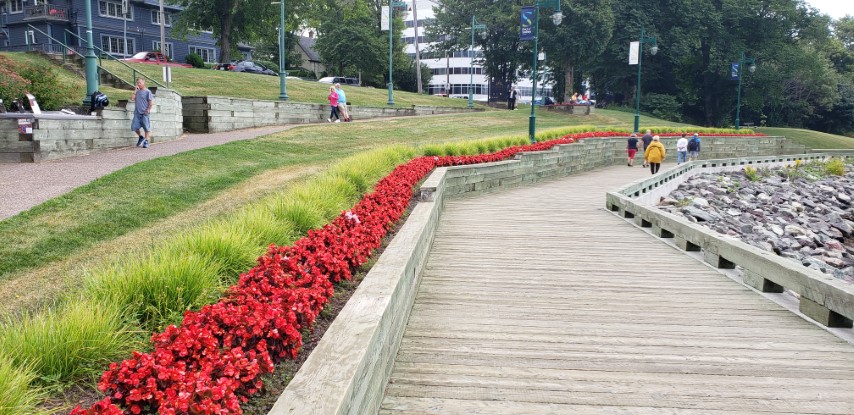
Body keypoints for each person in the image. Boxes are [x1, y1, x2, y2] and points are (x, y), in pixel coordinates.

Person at [131, 78, 153, 148]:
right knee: (134, 127)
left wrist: (148, 110)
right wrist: (135, 90)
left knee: (146, 127)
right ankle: (141, 137)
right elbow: (132, 99)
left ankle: (146, 141)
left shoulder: (147, 92)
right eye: (137, 83)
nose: (138, 84)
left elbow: (150, 102)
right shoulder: (137, 92)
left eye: (140, 83)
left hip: (144, 112)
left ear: (144, 83)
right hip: (137, 112)